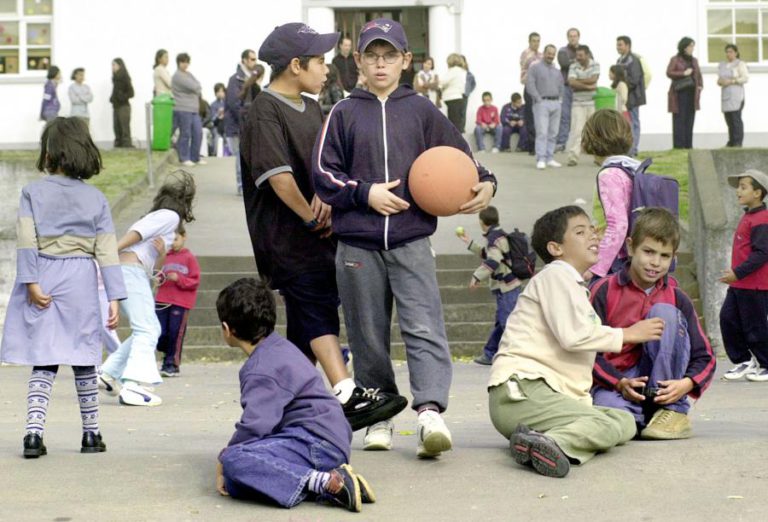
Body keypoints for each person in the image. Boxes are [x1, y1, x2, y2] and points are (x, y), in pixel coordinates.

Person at [313, 18, 496, 458]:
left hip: (411, 239)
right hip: (357, 243)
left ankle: (430, 412)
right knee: (367, 334)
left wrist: (488, 182)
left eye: (389, 56)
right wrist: (365, 193)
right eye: (372, 56)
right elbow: (322, 174)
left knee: (424, 325)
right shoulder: (342, 112)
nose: (381, 64)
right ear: (358, 61)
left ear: (405, 60)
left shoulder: (422, 111)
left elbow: (462, 158)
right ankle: (380, 415)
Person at [241, 22, 406, 433]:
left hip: (318, 236)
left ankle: (280, 410)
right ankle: (346, 392)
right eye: (318, 60)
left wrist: (329, 198)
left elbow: (327, 166)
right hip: (287, 237)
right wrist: (310, 215)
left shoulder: (314, 108)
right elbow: (279, 178)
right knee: (315, 305)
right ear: (295, 65)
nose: (326, 68)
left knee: (304, 329)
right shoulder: (264, 110)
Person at [487, 205, 656, 478]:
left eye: (592, 229)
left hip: (544, 396)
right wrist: (628, 334)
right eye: (580, 232)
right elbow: (573, 336)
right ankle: (554, 443)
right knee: (604, 425)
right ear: (556, 248)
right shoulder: (556, 274)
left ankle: (537, 441)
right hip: (523, 392)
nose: (593, 235)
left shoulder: (572, 284)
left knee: (624, 420)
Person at [1, 117, 127, 458]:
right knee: (84, 356)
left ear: (49, 153)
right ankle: (91, 434)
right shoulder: (96, 198)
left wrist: (31, 281)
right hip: (81, 280)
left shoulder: (32, 192)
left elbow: (26, 240)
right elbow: (107, 250)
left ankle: (33, 434)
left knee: (44, 358)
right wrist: (114, 296)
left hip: (44, 274)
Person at [214, 278, 376, 512]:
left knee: (234, 463)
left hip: (314, 442)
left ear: (227, 329)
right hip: (332, 440)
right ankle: (331, 484)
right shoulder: (282, 346)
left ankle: (327, 483)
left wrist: (224, 459)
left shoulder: (260, 369)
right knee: (237, 483)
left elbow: (255, 427)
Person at [590, 208, 715, 440]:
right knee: (609, 415)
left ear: (673, 257)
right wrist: (618, 382)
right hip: (618, 385)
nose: (655, 263)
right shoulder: (603, 290)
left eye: (664, 256)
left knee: (664, 313)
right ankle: (638, 420)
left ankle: (671, 411)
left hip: (664, 386)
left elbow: (705, 357)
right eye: (648, 252)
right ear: (630, 247)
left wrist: (686, 384)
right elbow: (586, 348)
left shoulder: (677, 297)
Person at [99, 171, 196, 407]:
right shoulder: (169, 216)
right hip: (129, 271)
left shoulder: (164, 223)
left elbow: (154, 264)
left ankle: (108, 374)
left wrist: (161, 253)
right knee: (148, 328)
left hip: (133, 272)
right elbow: (137, 233)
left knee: (147, 327)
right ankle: (134, 384)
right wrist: (110, 251)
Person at [457, 206, 522, 365]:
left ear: (481, 222)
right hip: (508, 284)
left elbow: (493, 260)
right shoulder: (498, 235)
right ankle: (490, 353)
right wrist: (469, 243)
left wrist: (476, 276)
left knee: (507, 322)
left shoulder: (494, 237)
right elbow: (489, 254)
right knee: (502, 322)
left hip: (506, 285)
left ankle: (516, 355)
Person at [719, 169, 768, 382]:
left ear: (757, 193)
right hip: (740, 285)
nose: (738, 191)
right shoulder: (749, 216)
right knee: (728, 319)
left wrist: (737, 273)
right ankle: (744, 360)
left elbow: (762, 253)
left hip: (755, 286)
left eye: (743, 187)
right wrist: (736, 277)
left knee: (755, 327)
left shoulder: (762, 219)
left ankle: (766, 364)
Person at [581, 109, 636, 281]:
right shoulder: (631, 169)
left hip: (614, 262)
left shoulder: (609, 175)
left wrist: (597, 268)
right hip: (629, 256)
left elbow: (618, 225)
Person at [155, 224, 200, 377]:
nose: (173, 243)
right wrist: (159, 278)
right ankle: (165, 353)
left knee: (175, 333)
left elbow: (195, 281)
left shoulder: (189, 258)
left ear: (184, 237)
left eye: (176, 239)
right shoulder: (165, 256)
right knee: (160, 332)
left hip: (180, 302)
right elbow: (157, 273)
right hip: (162, 299)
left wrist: (179, 279)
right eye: (170, 240)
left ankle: (171, 364)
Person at [225, 49, 257, 195]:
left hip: (248, 123)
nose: (254, 62)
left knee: (247, 156)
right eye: (252, 59)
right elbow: (233, 103)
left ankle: (247, 185)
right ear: (244, 60)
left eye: (255, 59)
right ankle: (241, 186)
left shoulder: (252, 78)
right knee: (240, 155)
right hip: (238, 124)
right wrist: (244, 121)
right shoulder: (235, 79)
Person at [526, 44, 563, 170]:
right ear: (544, 53)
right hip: (542, 103)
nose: (551, 56)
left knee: (553, 132)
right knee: (542, 132)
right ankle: (541, 158)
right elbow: (530, 84)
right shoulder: (535, 68)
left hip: (556, 103)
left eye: (553, 54)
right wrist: (538, 99)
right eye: (549, 53)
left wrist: (560, 100)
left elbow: (561, 86)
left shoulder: (556, 71)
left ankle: (550, 158)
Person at [566, 45, 599, 166]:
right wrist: (588, 87)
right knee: (577, 130)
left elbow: (594, 79)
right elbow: (571, 83)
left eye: (581, 55)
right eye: (577, 55)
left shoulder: (595, 65)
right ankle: (573, 157)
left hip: (592, 103)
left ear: (587, 55)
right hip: (577, 103)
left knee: (594, 131)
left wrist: (578, 81)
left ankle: (599, 157)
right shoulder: (573, 66)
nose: (578, 57)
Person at [667, 37, 702, 150]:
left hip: (692, 93)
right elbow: (669, 72)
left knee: (690, 119)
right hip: (679, 93)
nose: (692, 48)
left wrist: (700, 86)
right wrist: (683, 73)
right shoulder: (675, 59)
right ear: (684, 47)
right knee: (679, 119)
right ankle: (679, 145)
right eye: (690, 46)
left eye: (693, 46)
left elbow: (698, 74)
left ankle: (688, 144)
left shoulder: (694, 60)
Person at [172, 53, 204, 167]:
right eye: (183, 62)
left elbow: (198, 85)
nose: (185, 64)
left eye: (187, 62)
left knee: (198, 132)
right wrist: (196, 88)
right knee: (185, 133)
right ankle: (184, 157)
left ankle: (195, 157)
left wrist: (196, 88)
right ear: (178, 63)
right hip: (183, 108)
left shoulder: (189, 74)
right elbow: (194, 87)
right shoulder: (177, 76)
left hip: (194, 109)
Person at [616, 36, 646, 156]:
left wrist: (623, 86)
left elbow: (634, 79)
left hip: (633, 96)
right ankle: (628, 148)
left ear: (628, 46)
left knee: (633, 122)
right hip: (624, 97)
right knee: (626, 123)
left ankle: (633, 149)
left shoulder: (633, 60)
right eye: (617, 45)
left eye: (620, 45)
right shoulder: (620, 60)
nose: (618, 47)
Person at [717, 44, 749, 148]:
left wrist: (732, 81)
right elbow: (719, 78)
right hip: (726, 96)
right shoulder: (722, 65)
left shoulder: (740, 64)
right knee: (729, 120)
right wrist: (720, 81)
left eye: (730, 52)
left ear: (736, 53)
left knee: (736, 120)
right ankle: (731, 141)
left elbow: (745, 78)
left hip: (736, 96)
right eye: (727, 52)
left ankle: (737, 142)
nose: (728, 54)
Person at [556, 28, 580, 151]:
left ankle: (579, 144)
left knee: (579, 117)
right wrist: (579, 60)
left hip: (580, 88)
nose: (573, 38)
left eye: (575, 36)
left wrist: (575, 60)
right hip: (566, 87)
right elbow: (564, 64)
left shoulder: (585, 49)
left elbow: (590, 62)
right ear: (567, 37)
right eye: (570, 36)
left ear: (578, 37)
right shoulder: (562, 51)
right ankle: (561, 143)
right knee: (565, 116)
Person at [520, 32, 542, 155]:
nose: (536, 43)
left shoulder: (541, 55)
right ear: (529, 41)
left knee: (540, 117)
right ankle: (532, 145)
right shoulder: (526, 54)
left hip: (541, 89)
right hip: (529, 87)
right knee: (530, 117)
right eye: (534, 41)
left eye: (538, 41)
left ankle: (540, 145)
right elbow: (532, 67)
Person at [440, 53, 468, 133]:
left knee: (453, 123)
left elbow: (443, 81)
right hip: (458, 98)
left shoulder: (454, 70)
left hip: (452, 98)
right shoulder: (461, 71)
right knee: (457, 123)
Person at [110, 58, 134, 148]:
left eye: (114, 65)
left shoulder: (125, 77)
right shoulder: (115, 78)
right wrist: (112, 98)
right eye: (112, 65)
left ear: (120, 66)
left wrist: (122, 96)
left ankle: (126, 144)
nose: (112, 67)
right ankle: (118, 144)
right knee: (116, 126)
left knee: (124, 127)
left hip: (124, 106)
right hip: (116, 106)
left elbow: (131, 93)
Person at [209, 83, 226, 156]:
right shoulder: (213, 105)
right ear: (215, 93)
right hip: (217, 126)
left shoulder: (228, 103)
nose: (220, 93)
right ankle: (215, 152)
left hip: (227, 126)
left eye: (222, 91)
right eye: (218, 91)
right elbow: (212, 119)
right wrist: (218, 115)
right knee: (216, 134)